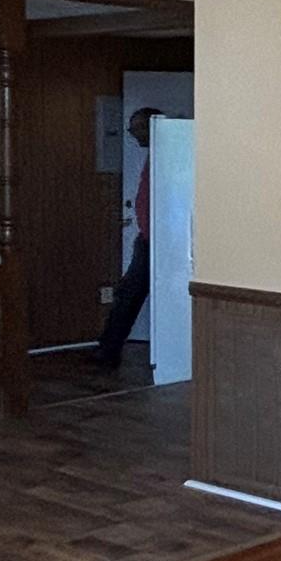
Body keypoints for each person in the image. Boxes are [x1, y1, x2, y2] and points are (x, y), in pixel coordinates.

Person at [95, 107, 162, 370]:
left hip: (156, 242)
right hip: (147, 239)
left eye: (137, 128)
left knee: (128, 295)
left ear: (150, 126)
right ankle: (108, 349)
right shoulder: (154, 156)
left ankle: (108, 351)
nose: (133, 134)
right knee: (127, 295)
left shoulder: (166, 155)